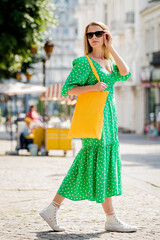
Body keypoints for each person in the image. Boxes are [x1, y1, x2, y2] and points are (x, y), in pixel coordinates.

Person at [39, 21, 137, 232]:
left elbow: (126, 73)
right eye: (89, 34)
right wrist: (92, 87)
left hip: (109, 120)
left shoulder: (108, 62)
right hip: (95, 121)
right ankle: (54, 207)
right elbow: (67, 90)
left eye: (98, 33)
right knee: (86, 161)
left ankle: (110, 218)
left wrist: (111, 48)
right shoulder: (84, 63)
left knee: (104, 165)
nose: (93, 37)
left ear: (105, 35)